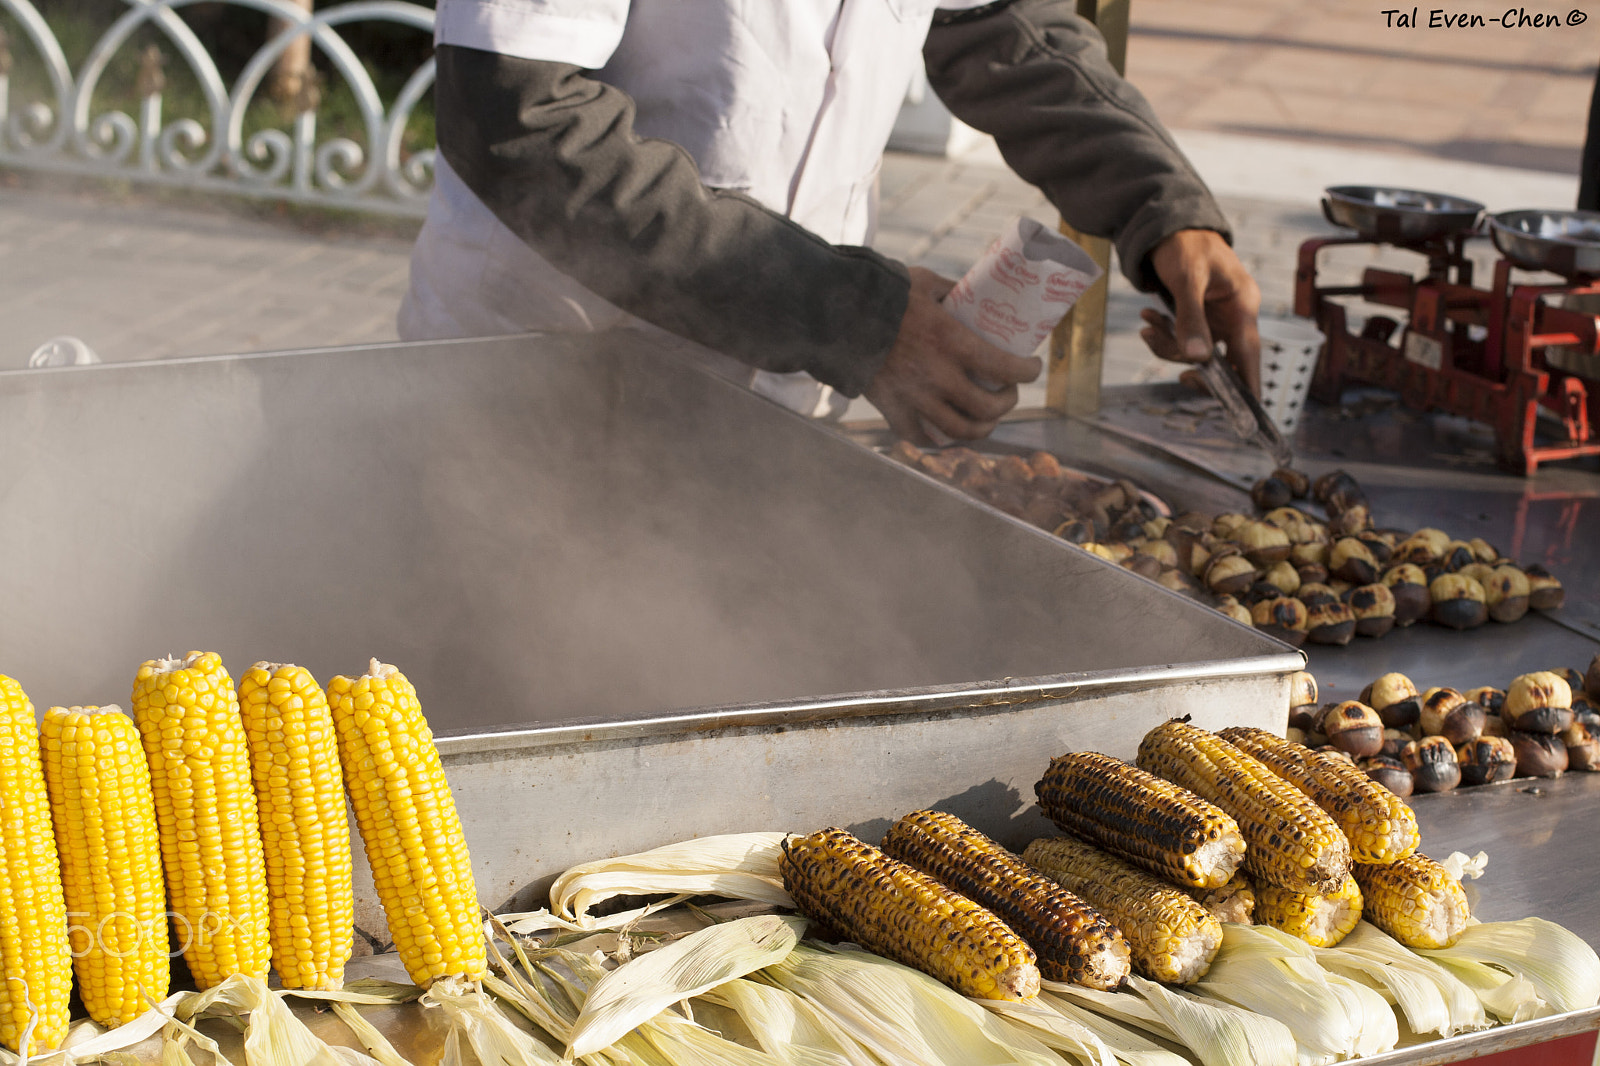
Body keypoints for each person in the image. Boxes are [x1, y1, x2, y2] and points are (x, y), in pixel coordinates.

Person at [399, 0, 1262, 444]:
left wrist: (1161, 204)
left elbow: (998, 27)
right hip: (546, 392)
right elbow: (518, 118)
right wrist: (853, 317)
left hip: (778, 407)